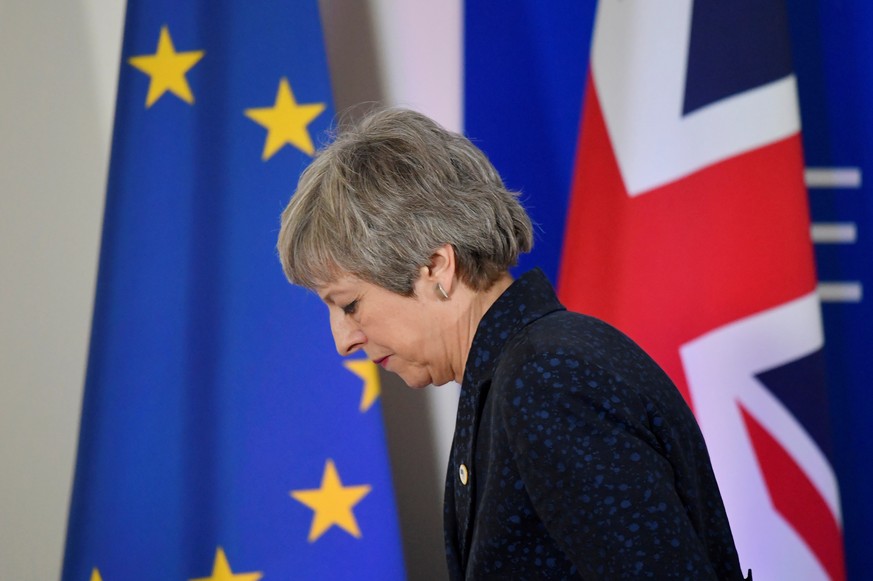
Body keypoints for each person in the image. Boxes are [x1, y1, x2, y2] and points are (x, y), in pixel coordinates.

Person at [277, 108, 749, 580]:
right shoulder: (518, 375)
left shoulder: (547, 381)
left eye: (350, 304)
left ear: (437, 267)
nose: (343, 341)